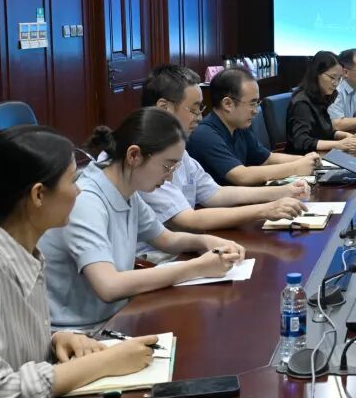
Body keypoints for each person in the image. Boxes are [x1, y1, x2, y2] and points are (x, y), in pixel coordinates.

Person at [0, 126, 158, 397]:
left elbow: (10, 345)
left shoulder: (27, 254)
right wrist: (104, 362)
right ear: (38, 195)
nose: (78, 191)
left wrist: (56, 339)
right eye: (72, 180)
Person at [40, 108, 246, 330]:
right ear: (134, 155)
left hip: (117, 317)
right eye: (167, 166)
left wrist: (206, 242)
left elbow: (165, 238)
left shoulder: (126, 190)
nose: (169, 177)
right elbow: (109, 286)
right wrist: (197, 267)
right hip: (80, 333)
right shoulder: (87, 201)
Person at [138, 65, 310, 234]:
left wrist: (284, 191)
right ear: (164, 107)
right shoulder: (145, 158)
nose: (199, 117)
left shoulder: (181, 152)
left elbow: (215, 194)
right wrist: (266, 209)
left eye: (200, 109)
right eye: (194, 109)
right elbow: (189, 220)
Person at [187, 67, 320, 186]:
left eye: (257, 103)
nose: (256, 111)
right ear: (227, 104)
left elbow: (267, 158)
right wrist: (295, 167)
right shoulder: (204, 134)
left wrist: (308, 160)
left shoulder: (239, 126)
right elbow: (241, 176)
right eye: (252, 103)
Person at [287, 51, 356, 154]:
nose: (335, 83)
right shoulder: (302, 103)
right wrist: (338, 144)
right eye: (332, 77)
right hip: (302, 158)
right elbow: (301, 141)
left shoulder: (324, 96)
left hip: (321, 153)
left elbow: (324, 131)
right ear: (317, 74)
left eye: (339, 78)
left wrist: (346, 136)